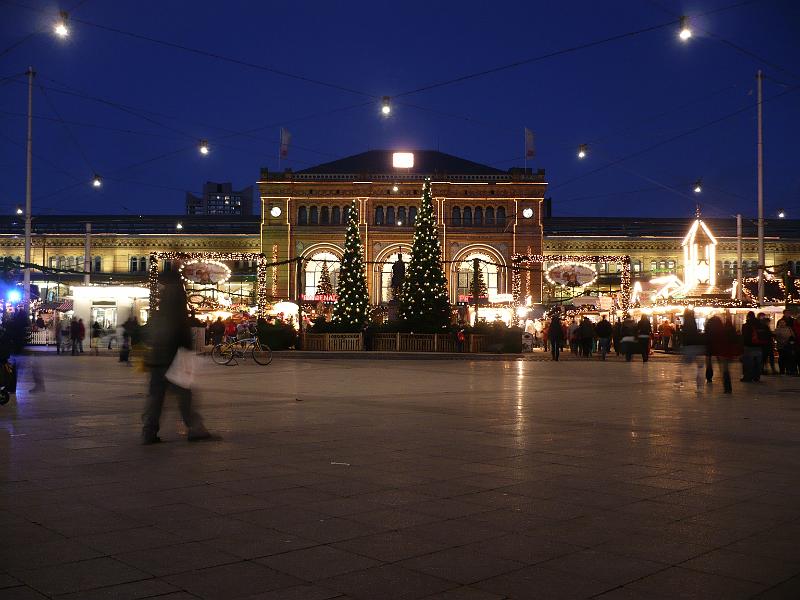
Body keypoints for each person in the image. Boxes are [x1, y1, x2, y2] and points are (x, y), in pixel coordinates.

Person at [142, 270, 214, 445]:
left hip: (159, 356)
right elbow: (179, 326)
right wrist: (187, 351)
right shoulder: (176, 294)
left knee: (156, 396)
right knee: (184, 395)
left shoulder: (162, 302)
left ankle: (149, 431)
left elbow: (153, 330)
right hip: (174, 355)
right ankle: (195, 428)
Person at [708, 313, 741, 393]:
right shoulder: (727, 329)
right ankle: (727, 387)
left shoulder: (717, 331)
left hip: (721, 351)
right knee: (725, 369)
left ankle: (727, 387)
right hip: (727, 351)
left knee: (724, 369)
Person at [679, 309, 706, 388]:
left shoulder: (686, 323)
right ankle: (699, 385)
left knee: (683, 366)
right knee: (699, 367)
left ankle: (678, 381)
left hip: (688, 347)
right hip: (696, 346)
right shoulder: (693, 322)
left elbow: (684, 336)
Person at [741, 311, 763, 382]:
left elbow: (744, 336)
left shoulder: (745, 325)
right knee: (757, 362)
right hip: (758, 345)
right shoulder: (760, 325)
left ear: (748, 317)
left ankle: (748, 377)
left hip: (748, 346)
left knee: (748, 362)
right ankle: (757, 377)